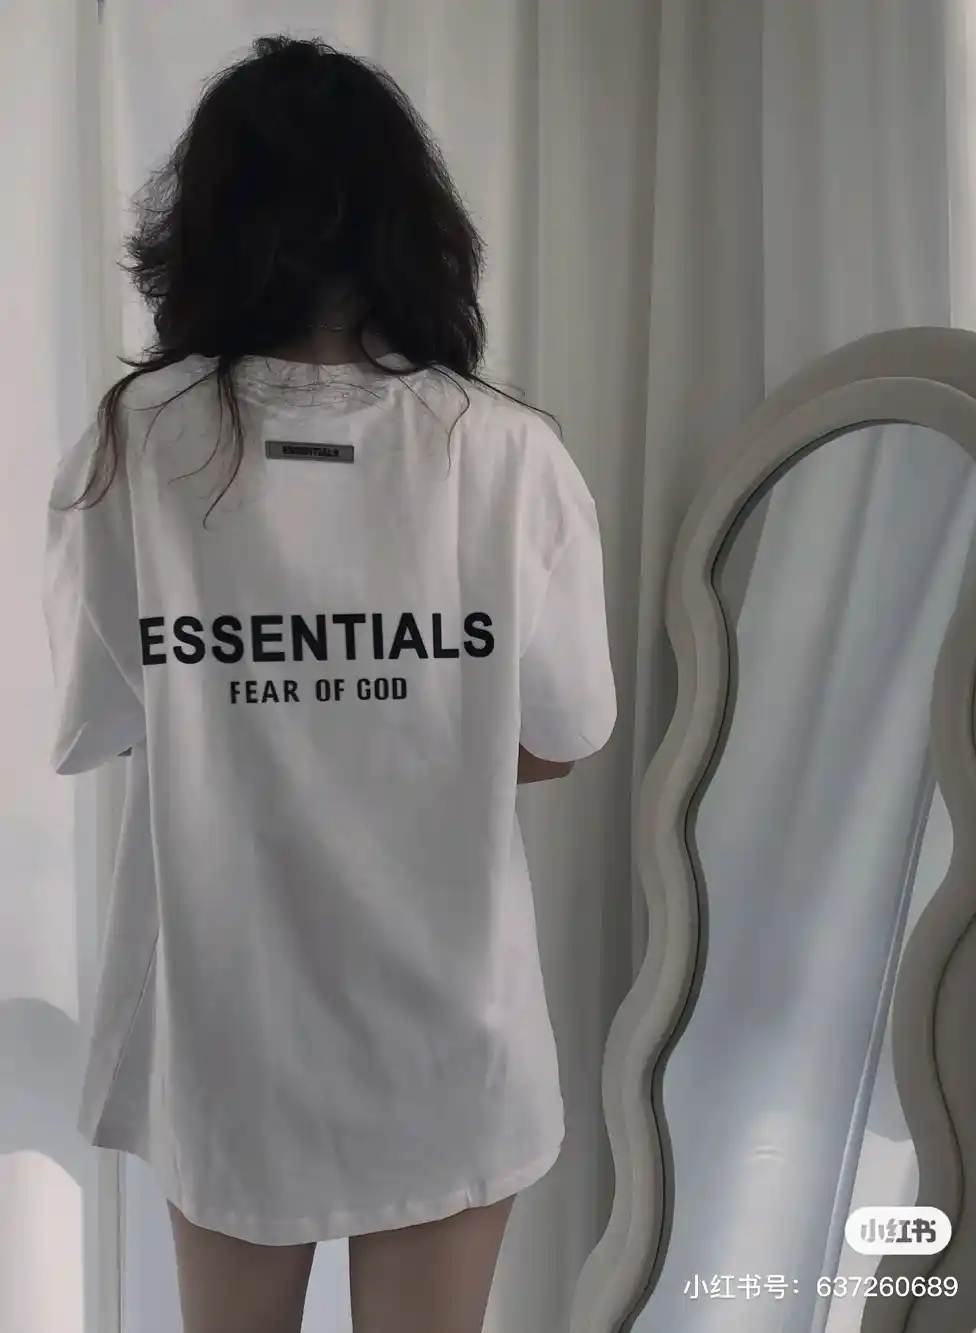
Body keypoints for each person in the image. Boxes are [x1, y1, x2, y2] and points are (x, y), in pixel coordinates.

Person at [42, 32, 617, 1333]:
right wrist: (417, 720)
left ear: (205, 225)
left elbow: (111, 716)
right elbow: (558, 736)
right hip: (448, 1021)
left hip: (231, 1019)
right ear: (415, 225)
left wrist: (263, 712)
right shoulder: (506, 454)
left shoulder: (139, 445)